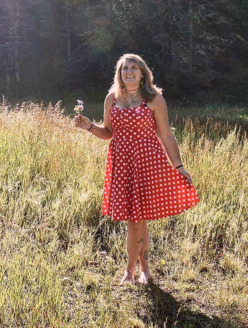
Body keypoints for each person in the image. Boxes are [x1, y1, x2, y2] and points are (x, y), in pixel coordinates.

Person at [75, 53, 199, 285]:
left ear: (143, 73)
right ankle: (145, 269)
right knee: (138, 220)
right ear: (119, 74)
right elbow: (108, 133)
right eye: (124, 68)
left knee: (135, 220)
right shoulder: (111, 98)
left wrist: (179, 165)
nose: (129, 71)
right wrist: (90, 127)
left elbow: (166, 135)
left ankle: (129, 272)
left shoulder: (154, 99)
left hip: (148, 164)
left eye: (134, 68)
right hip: (122, 165)